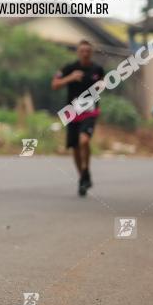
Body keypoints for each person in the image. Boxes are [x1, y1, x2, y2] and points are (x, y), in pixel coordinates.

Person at [51, 40, 105, 196]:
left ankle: (86, 169)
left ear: (91, 52)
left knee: (84, 141)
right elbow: (54, 84)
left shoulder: (97, 69)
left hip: (90, 111)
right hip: (72, 112)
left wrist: (99, 86)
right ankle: (82, 177)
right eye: (82, 50)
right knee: (74, 147)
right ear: (78, 52)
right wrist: (71, 78)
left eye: (88, 51)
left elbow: (103, 85)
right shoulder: (69, 68)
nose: (85, 53)